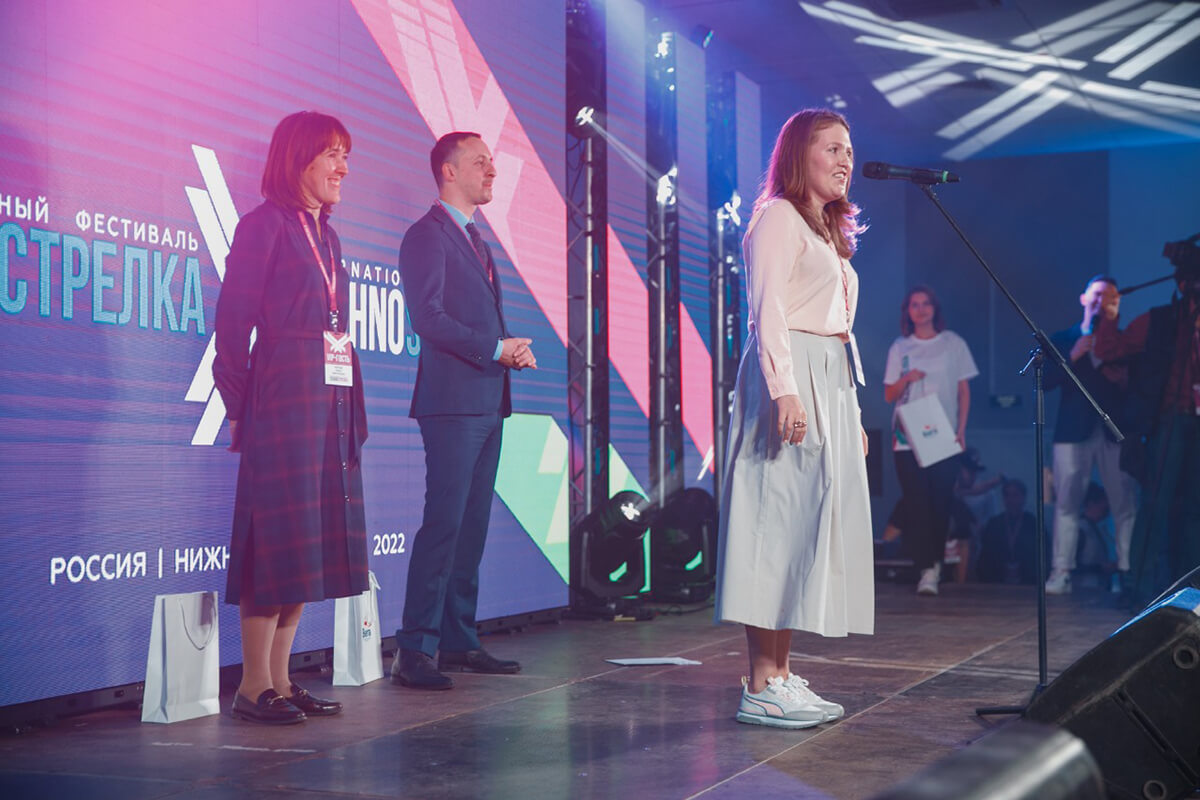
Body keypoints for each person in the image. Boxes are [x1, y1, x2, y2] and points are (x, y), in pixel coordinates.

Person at [714, 108, 872, 730]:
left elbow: (841, 331)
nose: (844, 160)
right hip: (791, 373)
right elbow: (769, 310)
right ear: (798, 154)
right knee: (773, 522)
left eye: (849, 150)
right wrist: (785, 390)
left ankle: (780, 675)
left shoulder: (825, 230)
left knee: (801, 525)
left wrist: (849, 412)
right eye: (831, 148)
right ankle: (760, 682)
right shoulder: (778, 216)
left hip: (827, 376)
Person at [213, 111, 367, 725]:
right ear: (297, 158)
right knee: (275, 540)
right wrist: (239, 407)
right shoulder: (263, 226)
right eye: (333, 154)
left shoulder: (328, 235)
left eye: (345, 155)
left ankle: (280, 678)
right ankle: (253, 686)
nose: (343, 168)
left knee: (307, 539)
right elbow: (232, 327)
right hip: (282, 400)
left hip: (330, 399)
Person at [391, 131, 535, 690]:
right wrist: (494, 348)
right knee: (444, 525)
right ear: (448, 171)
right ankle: (414, 648)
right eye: (480, 162)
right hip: (451, 405)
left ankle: (457, 639)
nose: (492, 171)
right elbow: (426, 319)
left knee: (471, 528)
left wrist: (507, 351)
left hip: (487, 400)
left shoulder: (475, 238)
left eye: (492, 162)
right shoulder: (426, 236)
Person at [1094, 252, 1200, 607]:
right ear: (1183, 284)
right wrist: (1109, 316)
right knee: (1155, 504)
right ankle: (1139, 589)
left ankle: (1191, 593)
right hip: (1170, 419)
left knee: (1195, 509)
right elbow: (1109, 348)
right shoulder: (1161, 320)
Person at [883, 286, 979, 595]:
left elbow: (964, 390)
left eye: (926, 303)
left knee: (940, 501)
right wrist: (906, 378)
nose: (921, 309)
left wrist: (961, 430)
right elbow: (889, 394)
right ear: (907, 311)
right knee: (916, 502)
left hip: (942, 433)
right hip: (906, 436)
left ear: (935, 308)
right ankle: (925, 568)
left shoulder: (953, 343)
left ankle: (935, 564)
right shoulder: (900, 346)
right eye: (915, 304)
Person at [1043, 276, 1134, 595]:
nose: (1101, 301)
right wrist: (1073, 356)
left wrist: (1124, 379)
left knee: (1123, 502)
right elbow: (1045, 381)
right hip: (1072, 431)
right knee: (1067, 502)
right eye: (1096, 295)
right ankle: (1061, 571)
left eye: (1109, 297)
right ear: (1084, 298)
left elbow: (1137, 385)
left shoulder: (1123, 341)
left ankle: (1126, 572)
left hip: (1112, 430)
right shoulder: (1064, 339)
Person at [976, 479, 1038, 585]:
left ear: (1023, 498)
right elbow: (985, 558)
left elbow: (1041, 559)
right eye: (1007, 495)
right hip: (997, 584)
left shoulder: (1033, 524)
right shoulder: (993, 524)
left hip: (1027, 584)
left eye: (1015, 495)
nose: (1010, 500)